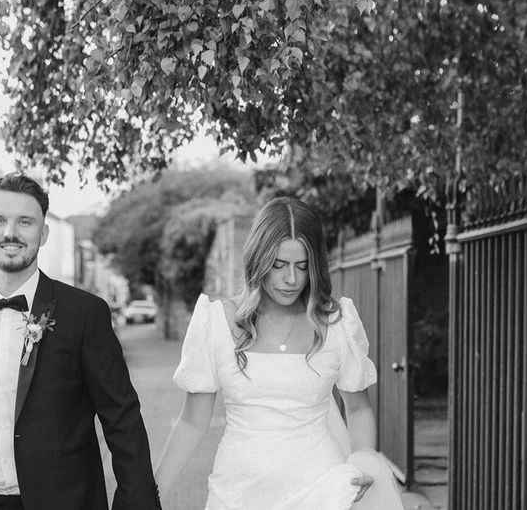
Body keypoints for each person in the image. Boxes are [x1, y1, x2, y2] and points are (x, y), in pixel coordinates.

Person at [0, 172, 161, 510]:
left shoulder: (85, 313)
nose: (10, 233)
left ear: (43, 232)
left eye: (25, 221)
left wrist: (136, 502)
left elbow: (121, 418)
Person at [154, 196, 404, 510]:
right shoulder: (215, 321)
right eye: (278, 265)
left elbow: (357, 408)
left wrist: (363, 461)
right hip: (238, 492)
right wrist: (152, 490)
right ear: (258, 259)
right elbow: (192, 421)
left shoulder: (337, 323)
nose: (291, 279)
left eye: (302, 266)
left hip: (321, 490)